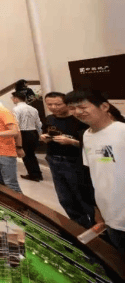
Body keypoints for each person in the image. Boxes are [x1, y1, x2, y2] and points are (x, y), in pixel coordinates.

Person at [66, 90, 125, 258]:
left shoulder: (121, 131)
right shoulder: (87, 135)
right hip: (110, 213)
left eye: (83, 107)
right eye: (72, 108)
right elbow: (92, 173)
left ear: (104, 106)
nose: (77, 112)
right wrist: (97, 210)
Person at [41, 92, 94, 228]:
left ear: (67, 104)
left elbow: (90, 144)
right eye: (49, 104)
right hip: (54, 159)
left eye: (58, 104)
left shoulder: (79, 120)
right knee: (65, 198)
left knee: (84, 197)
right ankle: (80, 227)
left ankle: (98, 228)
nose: (53, 107)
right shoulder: (49, 119)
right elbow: (45, 132)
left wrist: (71, 142)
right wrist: (44, 138)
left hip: (75, 161)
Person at [11, 91, 43, 181]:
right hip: (33, 132)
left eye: (12, 98)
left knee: (25, 155)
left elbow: (16, 123)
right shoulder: (33, 108)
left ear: (16, 98)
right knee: (32, 154)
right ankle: (38, 174)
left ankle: (33, 175)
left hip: (23, 133)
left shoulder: (16, 109)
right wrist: (40, 134)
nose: (12, 100)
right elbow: (39, 123)